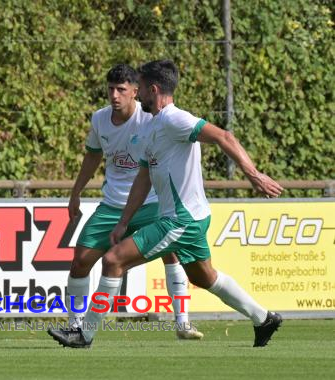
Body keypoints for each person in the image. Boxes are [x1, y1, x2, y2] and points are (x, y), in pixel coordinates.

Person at [49, 59, 283, 348]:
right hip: (186, 218)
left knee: (113, 260)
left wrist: (254, 175)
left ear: (153, 89)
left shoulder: (175, 119)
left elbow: (224, 136)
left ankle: (84, 334)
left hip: (181, 220)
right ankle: (264, 318)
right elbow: (144, 177)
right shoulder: (153, 125)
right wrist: (124, 221)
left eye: (142, 88)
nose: (138, 93)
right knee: (206, 277)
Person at [63, 63, 202, 339]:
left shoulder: (152, 118)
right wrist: (76, 192)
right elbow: (92, 156)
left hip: (151, 202)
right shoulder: (99, 119)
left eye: (121, 90)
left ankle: (182, 323)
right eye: (111, 89)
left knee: (171, 252)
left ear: (136, 92)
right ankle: (75, 325)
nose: (114, 95)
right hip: (113, 205)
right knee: (80, 261)